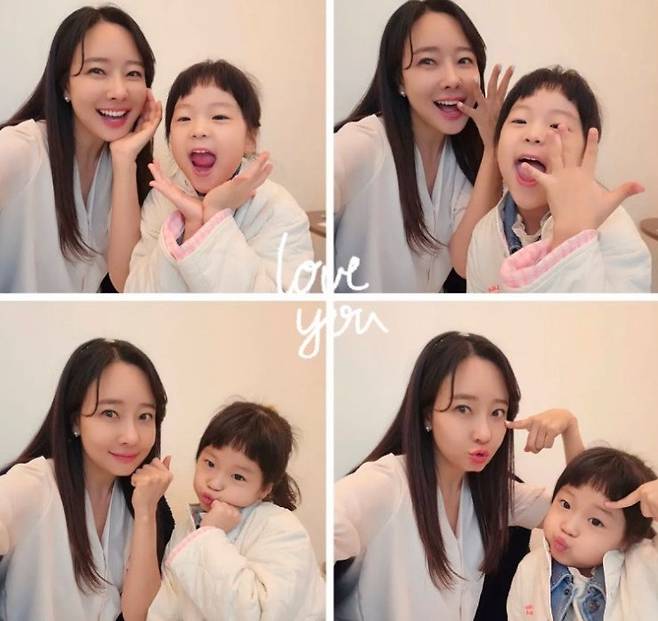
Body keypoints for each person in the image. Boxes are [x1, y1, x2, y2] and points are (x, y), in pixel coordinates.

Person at [334, 331, 584, 620]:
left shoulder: (491, 495)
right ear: (427, 414)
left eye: (497, 412)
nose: (484, 433)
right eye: (463, 408)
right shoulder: (387, 484)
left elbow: (584, 520)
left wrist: (570, 427)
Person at [334, 0, 513, 292]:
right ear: (398, 79)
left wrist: (492, 149)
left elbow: (467, 261)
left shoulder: (463, 157)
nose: (452, 79)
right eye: (428, 61)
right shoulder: (364, 143)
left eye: (464, 60)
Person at [0, 338, 174, 621]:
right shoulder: (34, 486)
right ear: (75, 420)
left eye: (145, 416)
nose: (131, 436)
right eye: (110, 413)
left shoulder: (143, 499)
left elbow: (139, 615)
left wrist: (145, 513)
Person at [0, 5, 162, 292]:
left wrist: (124, 160)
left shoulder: (123, 165)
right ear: (65, 85)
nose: (119, 91)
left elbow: (127, 281)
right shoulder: (19, 150)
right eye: (97, 71)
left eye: (133, 73)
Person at [124, 60, 313, 292]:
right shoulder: (160, 199)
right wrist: (191, 226)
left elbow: (278, 302)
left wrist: (214, 214)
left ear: (250, 138)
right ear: (170, 138)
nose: (199, 130)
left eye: (219, 117)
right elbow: (136, 291)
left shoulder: (277, 208)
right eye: (184, 118)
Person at [466, 66, 650, 292]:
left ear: (586, 150)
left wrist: (572, 238)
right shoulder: (483, 235)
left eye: (556, 126)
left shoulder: (614, 229)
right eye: (520, 121)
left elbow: (613, 315)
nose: (533, 135)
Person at [140, 401, 324, 620]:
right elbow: (165, 608)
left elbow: (259, 614)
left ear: (265, 488)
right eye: (210, 463)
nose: (215, 483)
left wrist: (210, 535)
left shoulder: (282, 528)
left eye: (238, 476)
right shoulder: (186, 528)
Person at [507, 447, 658, 620]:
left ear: (628, 539)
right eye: (565, 504)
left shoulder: (643, 565)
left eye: (595, 521)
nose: (568, 527)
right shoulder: (530, 568)